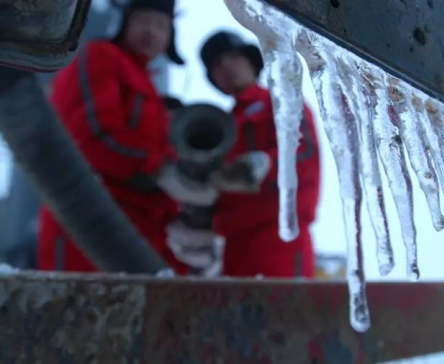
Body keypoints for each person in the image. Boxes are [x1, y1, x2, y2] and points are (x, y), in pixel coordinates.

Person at [37, 0, 198, 274]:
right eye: (143, 20)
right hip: (91, 225)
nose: (151, 31)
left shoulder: (146, 83)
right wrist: (163, 169)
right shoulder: (100, 57)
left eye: (161, 25)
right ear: (124, 23)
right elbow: (93, 136)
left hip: (138, 230)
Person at [197, 30, 321, 278]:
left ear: (250, 59)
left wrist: (263, 164)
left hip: (279, 241)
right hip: (234, 247)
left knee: (280, 315)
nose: (227, 68)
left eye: (233, 57)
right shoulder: (224, 125)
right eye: (217, 66)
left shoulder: (281, 101)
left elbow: (304, 155)